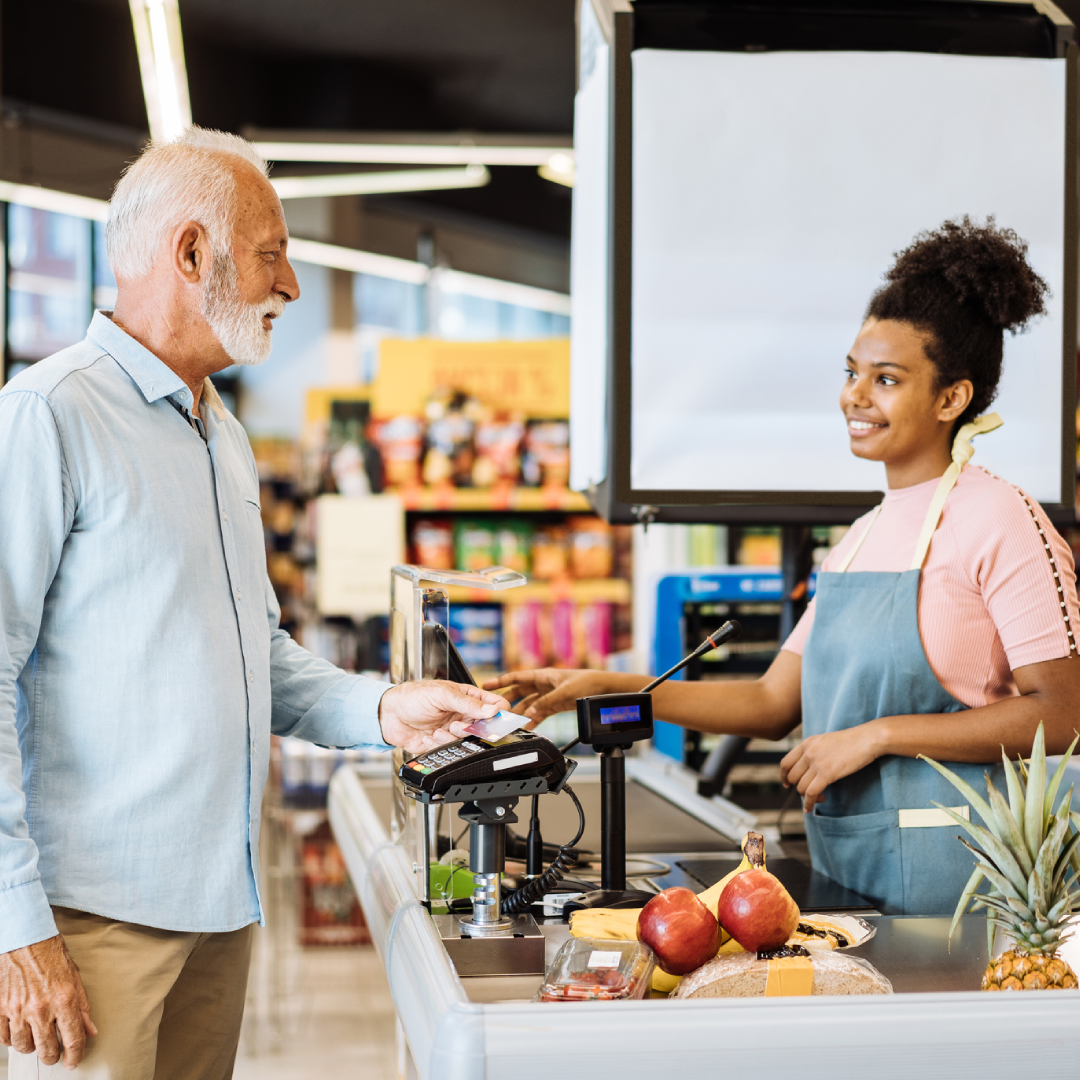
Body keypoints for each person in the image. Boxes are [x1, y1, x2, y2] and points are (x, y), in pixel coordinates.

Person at [0, 127, 503, 1077]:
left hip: (217, 917)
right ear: (192, 253)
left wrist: (386, 709)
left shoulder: (218, 431)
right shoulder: (50, 416)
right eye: (273, 255)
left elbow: (255, 656)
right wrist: (13, 922)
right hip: (89, 926)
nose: (292, 288)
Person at [487, 218, 1080, 918]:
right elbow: (772, 703)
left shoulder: (1003, 518)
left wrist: (880, 734)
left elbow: (1063, 713)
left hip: (961, 894)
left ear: (952, 398)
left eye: (887, 379)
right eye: (852, 373)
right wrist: (603, 687)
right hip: (850, 873)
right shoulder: (860, 538)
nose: (856, 397)